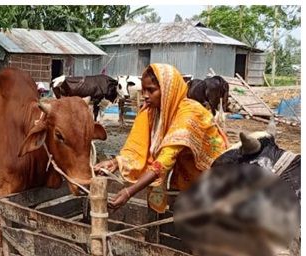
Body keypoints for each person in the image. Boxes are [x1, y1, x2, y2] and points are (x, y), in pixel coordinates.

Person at [93, 63, 227, 214]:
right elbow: (136, 146)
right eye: (143, 90)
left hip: (212, 173)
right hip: (185, 173)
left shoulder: (189, 115)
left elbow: (163, 162)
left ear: (168, 90)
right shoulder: (152, 112)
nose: (145, 95)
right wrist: (114, 163)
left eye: (151, 90)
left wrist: (129, 192)